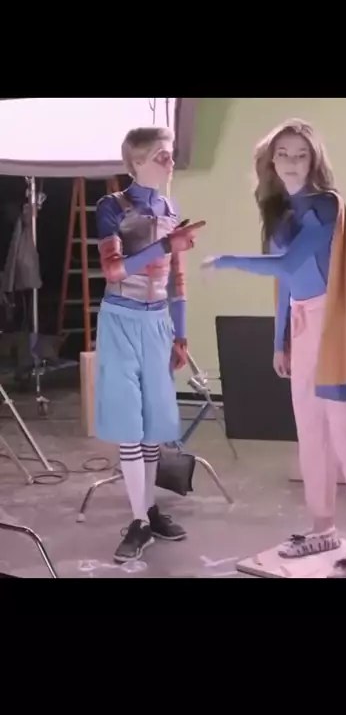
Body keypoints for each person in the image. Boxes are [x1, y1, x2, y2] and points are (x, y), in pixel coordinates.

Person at [202, 118, 346, 578]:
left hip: (337, 328)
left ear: (314, 161)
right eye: (282, 153)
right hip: (303, 327)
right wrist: (279, 339)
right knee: (311, 434)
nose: (291, 162)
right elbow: (286, 283)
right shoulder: (279, 209)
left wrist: (226, 261)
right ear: (269, 160)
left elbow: (287, 263)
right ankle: (323, 527)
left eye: (301, 154)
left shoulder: (326, 206)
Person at [95, 125, 205, 564]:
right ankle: (138, 520)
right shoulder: (112, 206)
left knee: (154, 422)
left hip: (157, 321)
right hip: (121, 320)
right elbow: (114, 271)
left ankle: (149, 510)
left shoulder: (169, 208)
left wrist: (181, 333)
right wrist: (165, 244)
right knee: (129, 422)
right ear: (137, 162)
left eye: (170, 153)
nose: (170, 162)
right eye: (162, 155)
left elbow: (177, 277)